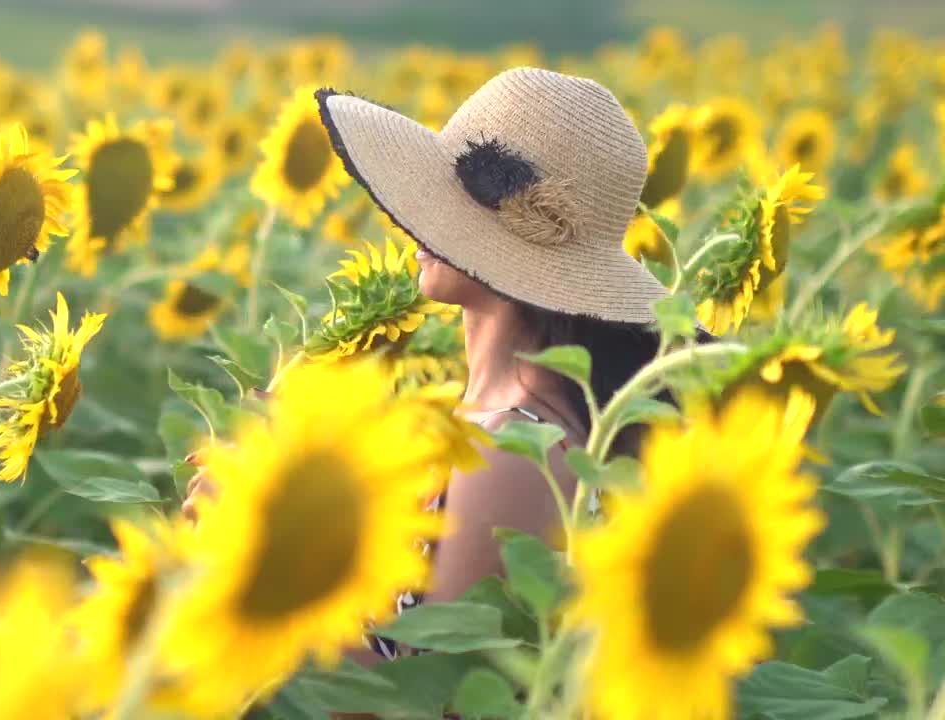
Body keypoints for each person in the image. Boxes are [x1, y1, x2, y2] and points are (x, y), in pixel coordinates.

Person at [184, 67, 672, 662]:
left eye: (451, 208)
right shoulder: (483, 414)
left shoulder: (515, 451)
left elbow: (420, 693)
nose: (417, 223)